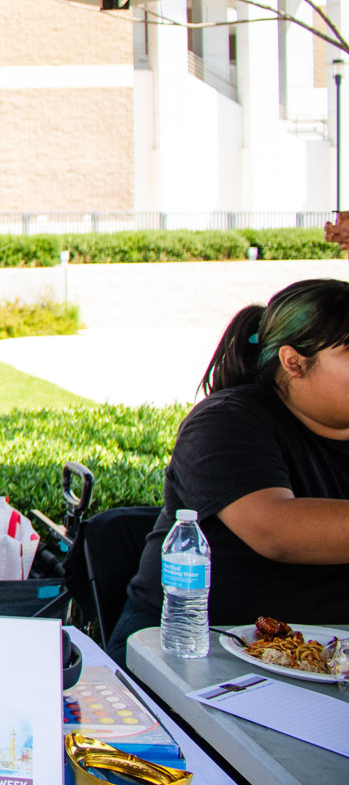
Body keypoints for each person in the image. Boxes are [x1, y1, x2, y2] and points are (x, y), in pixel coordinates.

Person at [109, 278, 349, 655]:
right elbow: (276, 530)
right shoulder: (226, 421)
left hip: (325, 656)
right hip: (195, 651)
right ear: (294, 362)